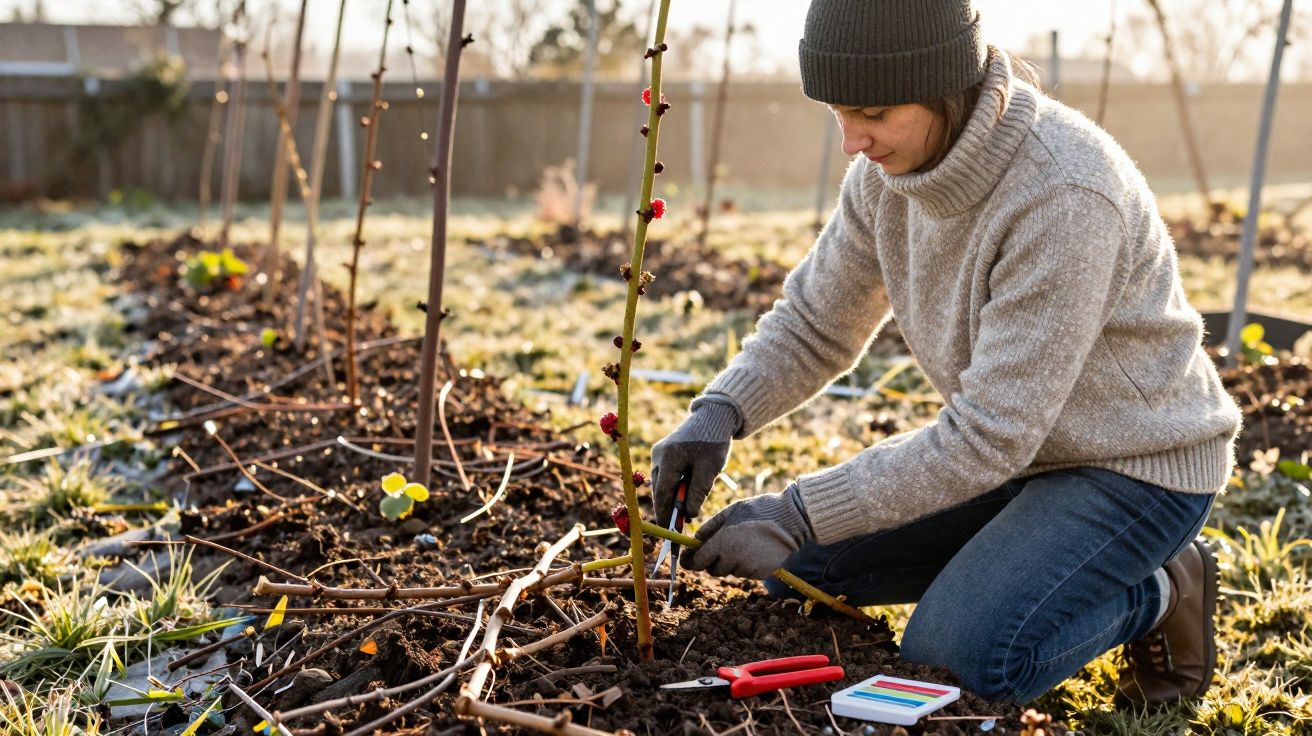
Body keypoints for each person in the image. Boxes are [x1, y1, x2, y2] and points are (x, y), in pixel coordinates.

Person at [648, 0, 1242, 707]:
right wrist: (721, 408)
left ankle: (1158, 587)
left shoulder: (1064, 192)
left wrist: (801, 509)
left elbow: (987, 436)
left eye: (871, 111)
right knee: (788, 567)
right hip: (1019, 454)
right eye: (837, 112)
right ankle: (1027, 556)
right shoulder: (883, 180)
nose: (851, 141)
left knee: (950, 661)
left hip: (1133, 468)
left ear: (944, 86)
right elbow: (816, 322)